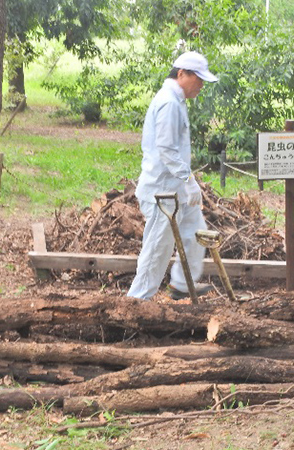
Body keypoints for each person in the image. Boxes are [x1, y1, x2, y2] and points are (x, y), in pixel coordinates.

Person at [127, 51, 218, 300]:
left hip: (174, 189)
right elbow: (166, 149)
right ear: (181, 74)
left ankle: (180, 284)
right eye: (197, 79)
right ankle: (135, 303)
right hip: (161, 191)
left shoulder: (176, 100)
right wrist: (189, 180)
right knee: (157, 250)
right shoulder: (168, 102)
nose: (200, 85)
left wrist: (187, 184)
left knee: (196, 231)